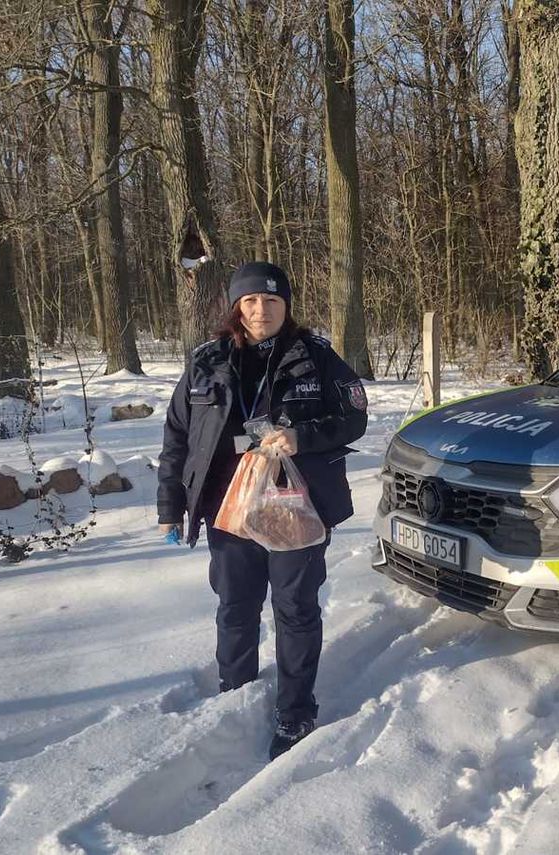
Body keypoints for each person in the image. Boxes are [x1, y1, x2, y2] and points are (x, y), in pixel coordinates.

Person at [156, 261, 368, 760]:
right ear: (236, 306)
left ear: (286, 306)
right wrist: (170, 504)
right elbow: (177, 438)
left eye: (272, 300)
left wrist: (301, 437)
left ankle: (295, 711)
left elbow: (355, 417)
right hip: (227, 509)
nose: (261, 310)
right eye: (250, 300)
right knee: (235, 606)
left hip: (296, 508)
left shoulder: (316, 357)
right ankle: (235, 695)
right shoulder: (206, 361)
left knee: (295, 609)